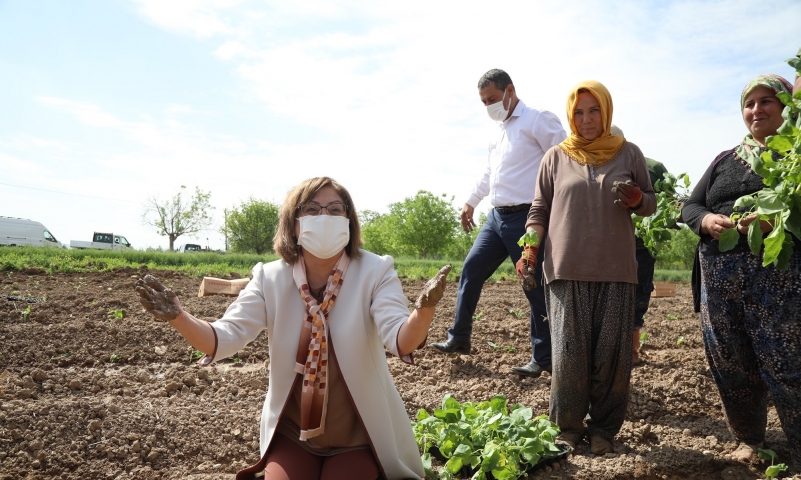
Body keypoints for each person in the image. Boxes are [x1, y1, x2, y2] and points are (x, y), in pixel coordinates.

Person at [134, 176, 451, 480]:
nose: (324, 217)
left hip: (358, 436)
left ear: (349, 222)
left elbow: (401, 338)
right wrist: (178, 316)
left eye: (335, 209)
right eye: (312, 209)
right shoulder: (270, 278)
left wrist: (424, 311)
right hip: (293, 435)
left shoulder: (375, 271)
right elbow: (223, 337)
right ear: (293, 224)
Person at [520, 80, 656, 454]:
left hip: (616, 268)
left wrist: (636, 198)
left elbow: (650, 203)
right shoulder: (555, 157)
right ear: (570, 116)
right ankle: (568, 426)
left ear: (607, 112)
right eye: (579, 112)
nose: (586, 119)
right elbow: (538, 210)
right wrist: (530, 249)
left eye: (594, 110)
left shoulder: (629, 153)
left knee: (612, 356)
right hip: (565, 268)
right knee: (569, 354)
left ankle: (604, 430)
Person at [682, 74, 801, 471]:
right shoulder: (725, 159)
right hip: (720, 282)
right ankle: (749, 438)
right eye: (750, 104)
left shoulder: (796, 154)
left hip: (779, 284)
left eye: (767, 101)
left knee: (788, 364)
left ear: (786, 106)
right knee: (731, 362)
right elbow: (690, 205)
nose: (757, 110)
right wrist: (706, 220)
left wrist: (777, 218)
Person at [430, 68, 566, 378]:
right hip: (496, 218)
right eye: (483, 102)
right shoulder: (499, 130)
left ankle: (543, 357)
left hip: (528, 218)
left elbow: (563, 160)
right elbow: (490, 174)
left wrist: (557, 210)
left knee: (532, 284)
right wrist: (471, 201)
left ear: (510, 91)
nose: (489, 106)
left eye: (492, 99)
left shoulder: (538, 119)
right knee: (471, 270)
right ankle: (459, 337)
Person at [610, 125, 669, 366]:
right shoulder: (595, 167)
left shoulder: (652, 167)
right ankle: (610, 352)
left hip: (642, 246)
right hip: (609, 247)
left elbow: (668, 202)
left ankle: (632, 353)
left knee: (639, 295)